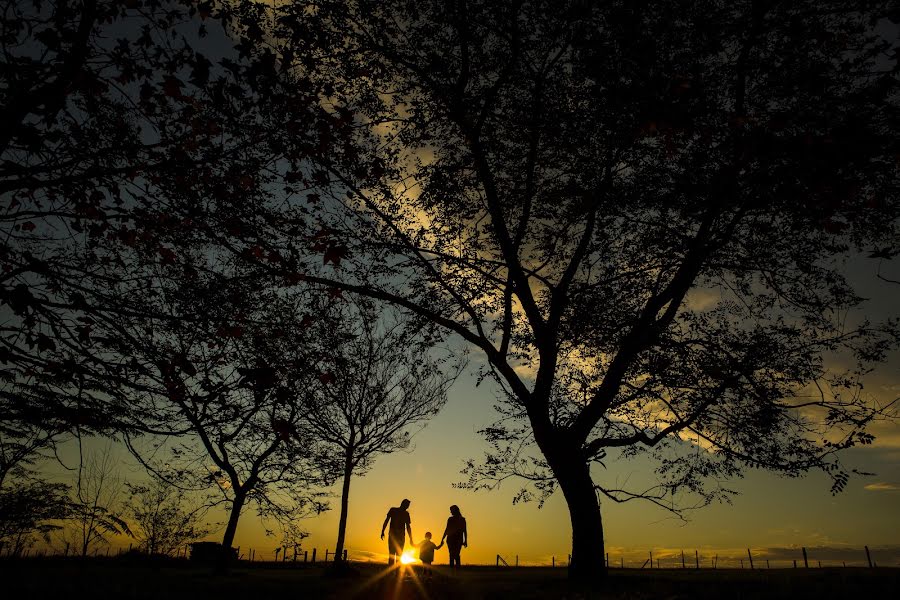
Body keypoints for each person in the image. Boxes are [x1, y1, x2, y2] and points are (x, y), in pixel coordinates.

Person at [381, 498, 413, 566]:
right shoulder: (393, 510)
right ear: (403, 504)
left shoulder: (406, 514)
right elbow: (386, 520)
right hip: (394, 535)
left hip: (400, 536)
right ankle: (392, 573)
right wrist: (382, 531)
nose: (407, 507)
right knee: (392, 555)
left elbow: (408, 527)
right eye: (407, 505)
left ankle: (397, 574)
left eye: (408, 506)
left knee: (398, 555)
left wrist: (411, 538)